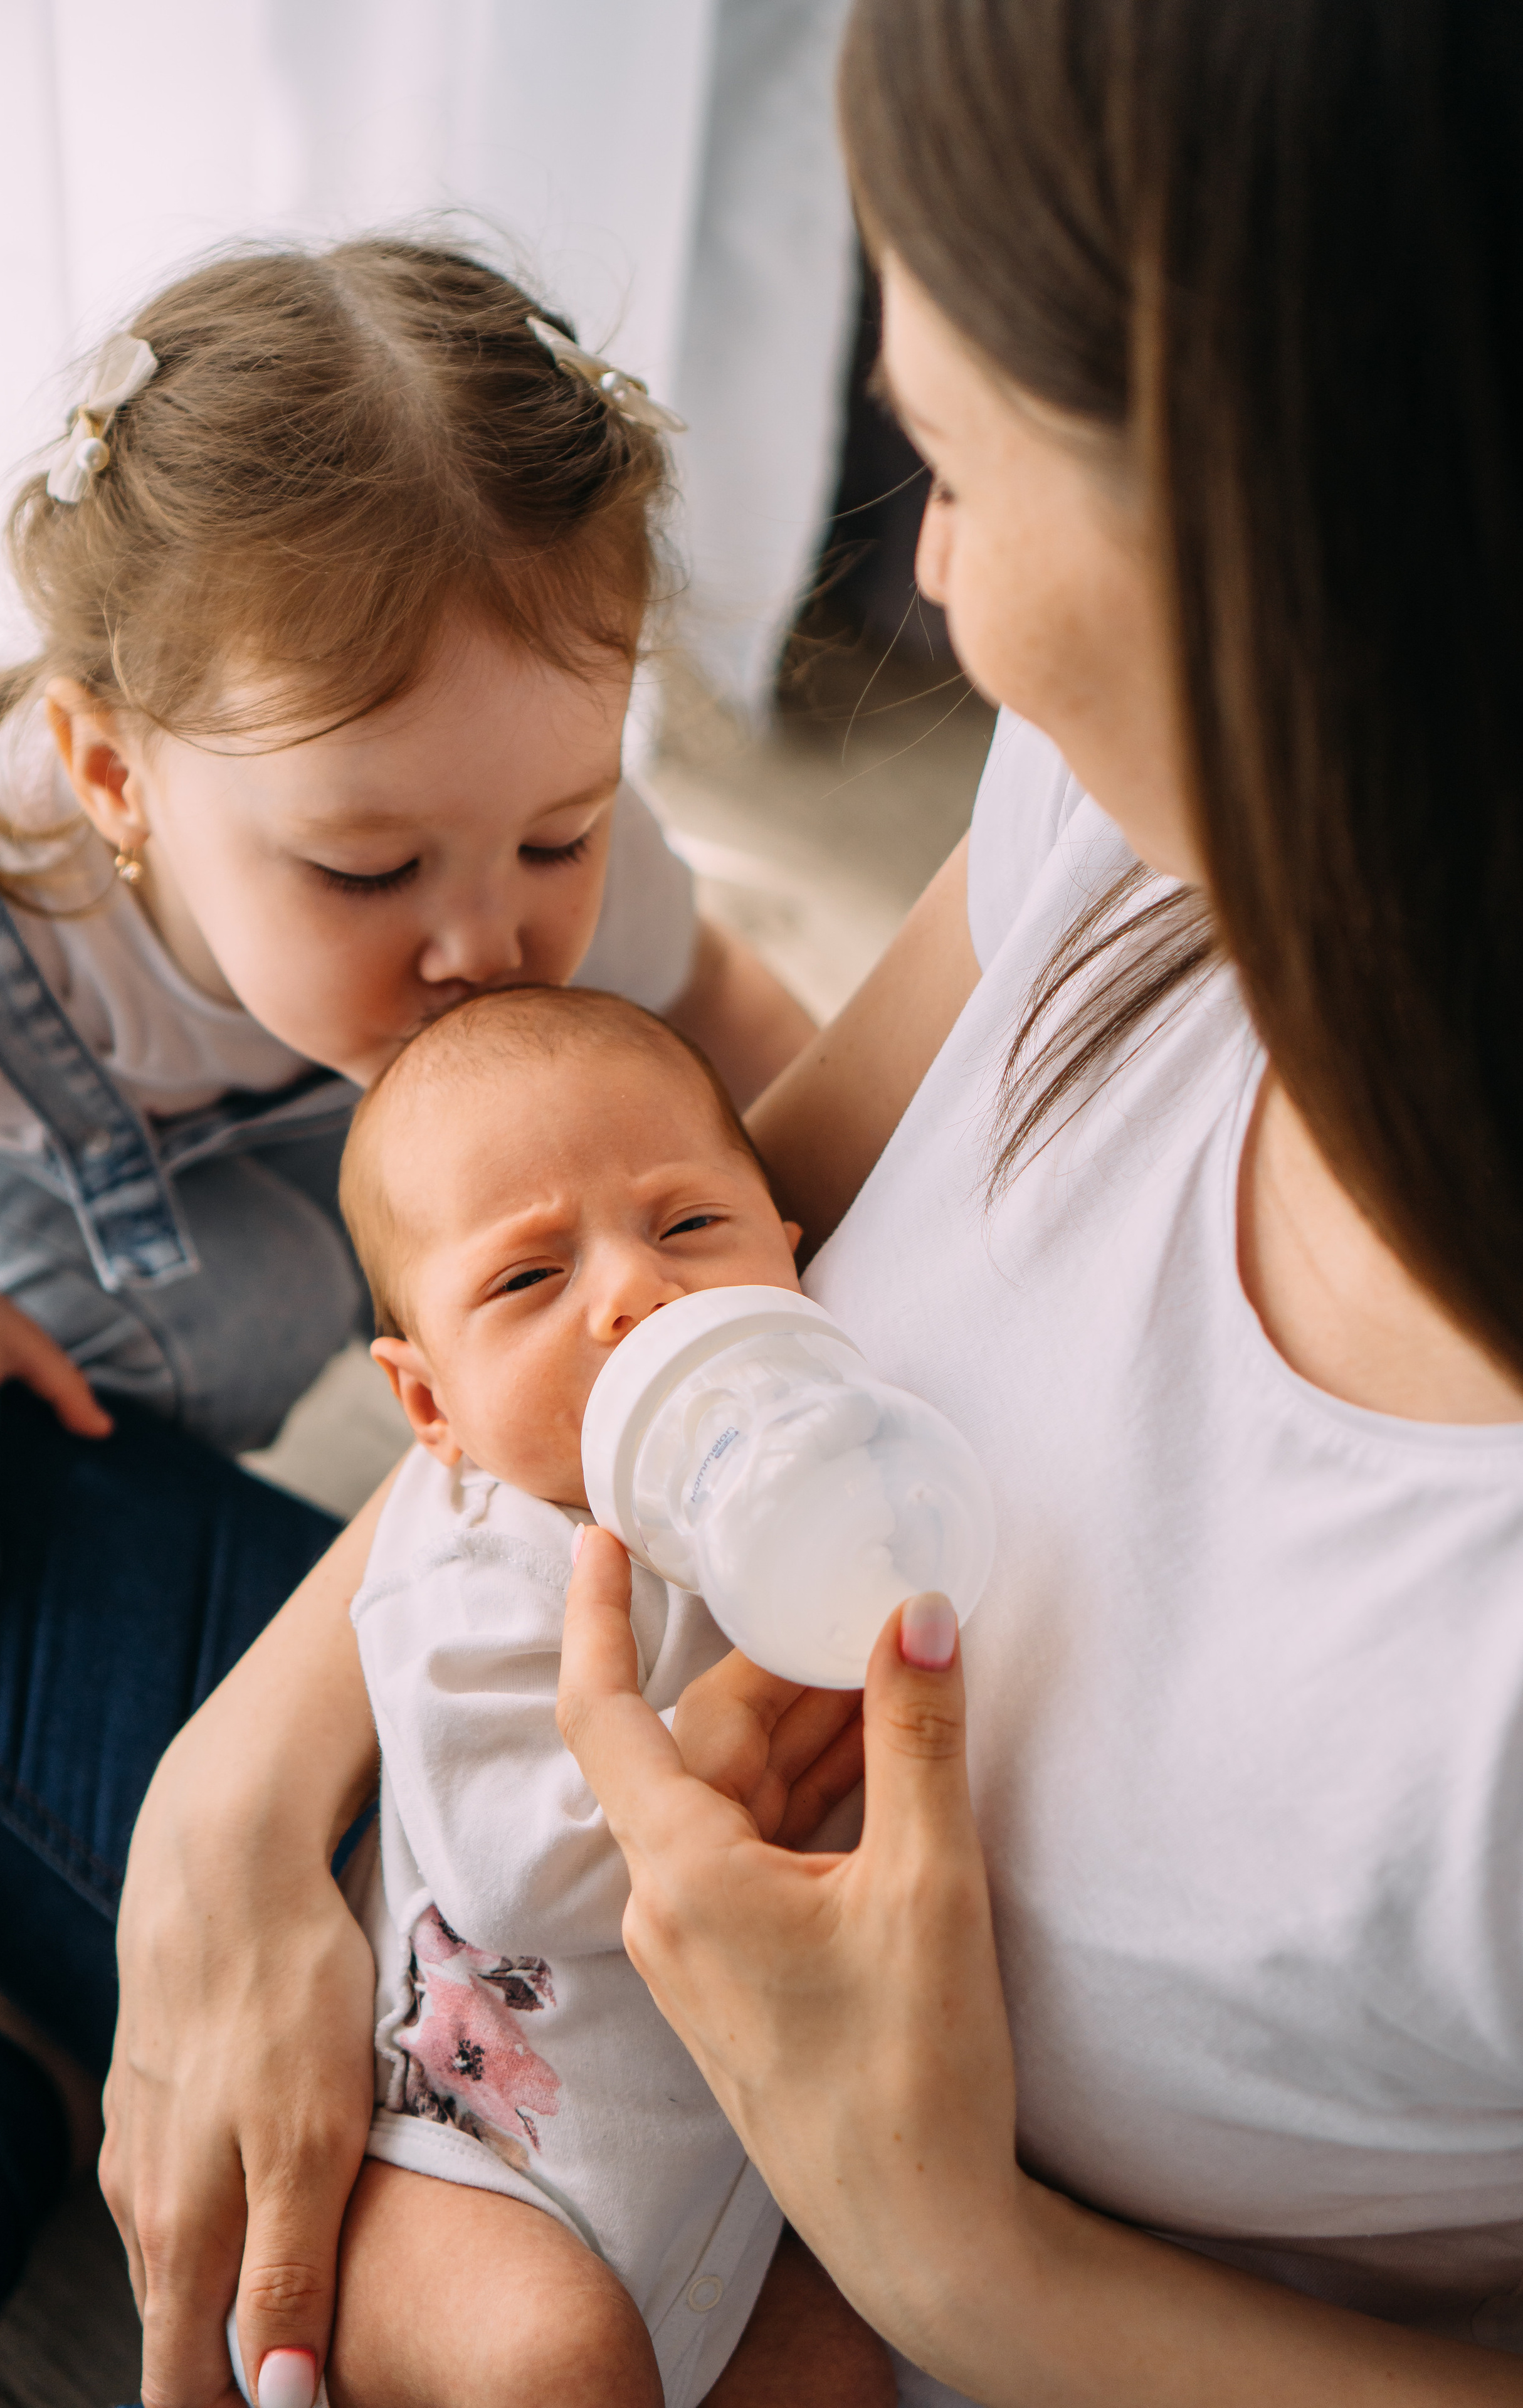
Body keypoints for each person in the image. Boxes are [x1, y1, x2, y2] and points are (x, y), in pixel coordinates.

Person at [97, 0, 1523, 2404]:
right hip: (526, 1919)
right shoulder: (1137, 816)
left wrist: (965, 2265)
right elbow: (654, 1251)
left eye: (948, 465)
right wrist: (244, 1788)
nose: (934, 585)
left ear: (1294, 548)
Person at [0, 233, 813, 2403]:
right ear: (115, 777)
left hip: (354, 1262)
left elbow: (778, 1083)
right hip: (48, 1272)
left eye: (558, 832)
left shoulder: (540, 890)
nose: (484, 942)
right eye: (365, 872)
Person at [246, 983, 886, 2408]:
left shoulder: (829, 1476)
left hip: (731, 2199)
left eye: (689, 1227)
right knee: (558, 2362)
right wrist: (711, 1743)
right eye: (528, 1280)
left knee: (843, 2371)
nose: (630, 1294)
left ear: (790, 1255)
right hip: (473, 2170)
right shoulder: (469, 1571)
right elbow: (516, 1879)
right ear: (431, 1409)